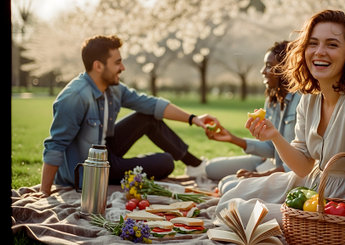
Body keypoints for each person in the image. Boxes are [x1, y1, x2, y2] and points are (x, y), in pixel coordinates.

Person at [215, 10, 345, 225]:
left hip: (343, 201)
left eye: (332, 45)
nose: (319, 52)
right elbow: (304, 166)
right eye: (313, 43)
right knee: (230, 195)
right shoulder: (309, 98)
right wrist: (275, 136)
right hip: (310, 182)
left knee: (231, 211)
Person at [40, 35, 217, 196]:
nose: (122, 68)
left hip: (107, 149)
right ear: (98, 66)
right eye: (117, 63)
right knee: (166, 162)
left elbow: (152, 104)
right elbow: (55, 145)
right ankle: (146, 166)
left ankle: (194, 165)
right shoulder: (75, 97)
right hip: (91, 170)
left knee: (147, 117)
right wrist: (44, 192)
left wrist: (194, 118)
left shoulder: (114, 89)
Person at [204, 41, 301, 194]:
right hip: (272, 162)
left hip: (291, 172)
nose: (263, 71)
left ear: (286, 70)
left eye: (269, 66)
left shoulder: (302, 101)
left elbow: (304, 160)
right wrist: (231, 138)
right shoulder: (272, 99)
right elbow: (271, 148)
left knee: (228, 187)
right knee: (211, 169)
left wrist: (261, 175)